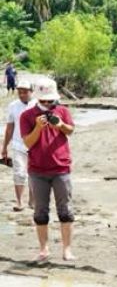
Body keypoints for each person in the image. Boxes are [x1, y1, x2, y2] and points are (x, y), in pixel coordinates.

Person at [19, 76, 76, 262]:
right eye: (43, 101)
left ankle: (67, 250)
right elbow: (27, 142)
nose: (47, 105)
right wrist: (38, 127)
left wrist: (59, 124)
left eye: (50, 101)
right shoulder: (27, 116)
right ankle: (44, 249)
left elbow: (70, 131)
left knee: (65, 211)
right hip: (37, 170)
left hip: (61, 167)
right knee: (40, 212)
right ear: (37, 99)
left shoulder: (62, 111)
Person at [3, 77, 34, 211]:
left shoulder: (37, 105)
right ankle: (19, 201)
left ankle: (32, 201)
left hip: (35, 145)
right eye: (20, 92)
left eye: (25, 92)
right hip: (18, 145)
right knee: (19, 173)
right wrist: (4, 147)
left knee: (34, 174)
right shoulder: (13, 106)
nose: (22, 94)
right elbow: (9, 128)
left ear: (31, 91)